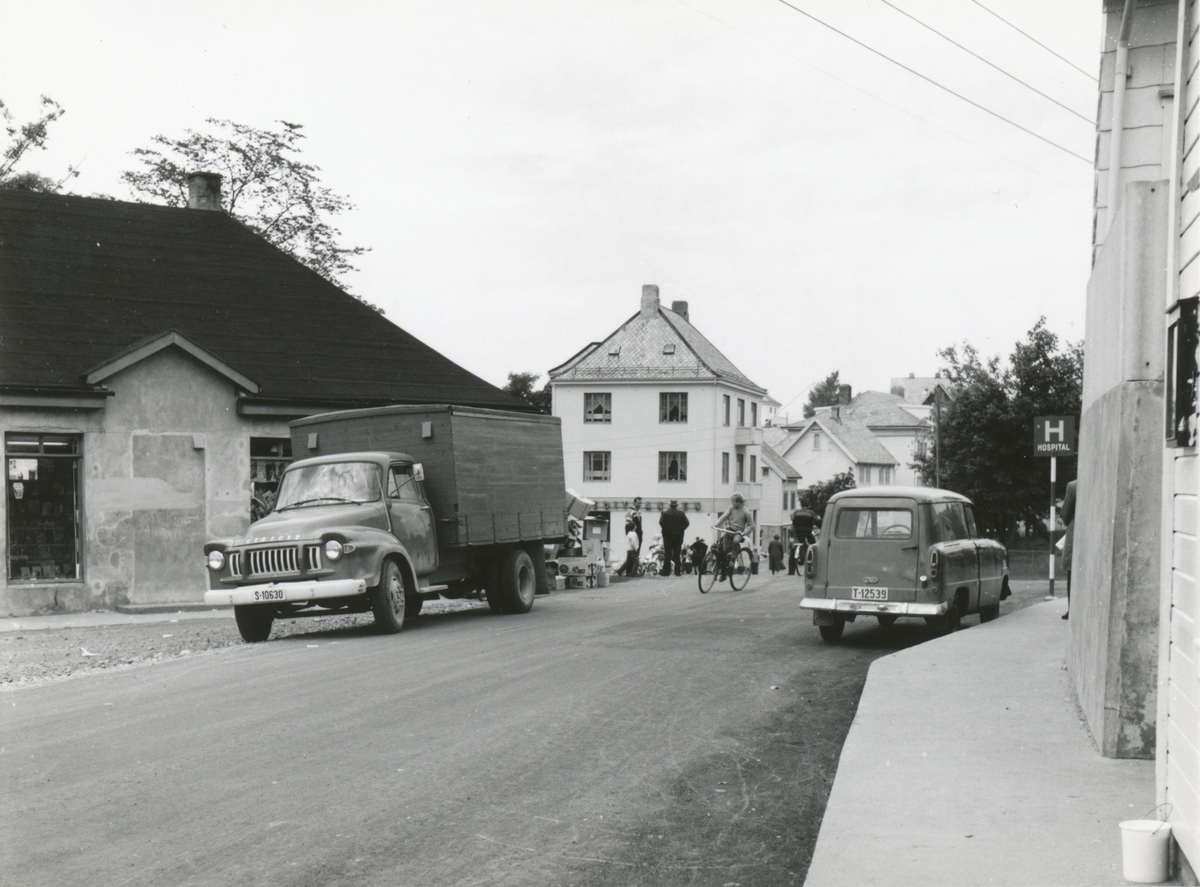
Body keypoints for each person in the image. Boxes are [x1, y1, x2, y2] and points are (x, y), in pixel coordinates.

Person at [714, 493, 756, 577]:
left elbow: (752, 526)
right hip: (730, 529)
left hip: (739, 532)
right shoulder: (731, 508)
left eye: (733, 501)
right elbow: (724, 517)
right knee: (724, 550)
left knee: (735, 541)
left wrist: (744, 533)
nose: (732, 503)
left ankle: (733, 558)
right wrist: (716, 524)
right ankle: (724, 571)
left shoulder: (746, 512)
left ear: (739, 502)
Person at [789, 501, 821, 574]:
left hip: (798, 532)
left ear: (801, 505)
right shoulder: (811, 513)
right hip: (807, 532)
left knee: (793, 550)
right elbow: (817, 521)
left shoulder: (796, 512)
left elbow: (793, 520)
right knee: (814, 546)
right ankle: (816, 563)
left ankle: (791, 571)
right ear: (808, 505)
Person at [659, 499, 690, 576]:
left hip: (668, 536)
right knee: (677, 554)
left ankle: (666, 571)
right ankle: (677, 571)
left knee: (667, 554)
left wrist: (667, 529)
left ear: (670, 505)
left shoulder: (665, 513)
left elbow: (661, 522)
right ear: (676, 505)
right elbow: (687, 523)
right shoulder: (681, 513)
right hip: (678, 536)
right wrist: (680, 529)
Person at [1061, 478, 1076, 620]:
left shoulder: (1073, 486)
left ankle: (1072, 608)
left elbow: (1065, 515)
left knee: (1072, 572)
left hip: (1076, 535)